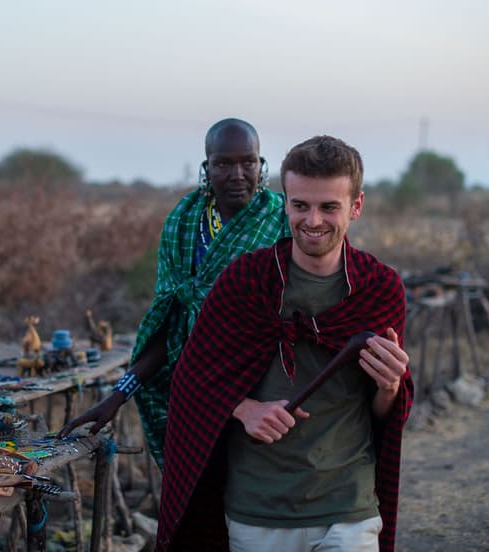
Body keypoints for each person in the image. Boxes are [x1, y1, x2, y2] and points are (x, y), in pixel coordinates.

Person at [156, 135, 413, 552]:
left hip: (348, 503)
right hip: (258, 509)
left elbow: (383, 411)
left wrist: (390, 387)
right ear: (285, 201)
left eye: (329, 206)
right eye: (300, 205)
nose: (313, 220)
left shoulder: (378, 287)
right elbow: (192, 377)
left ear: (356, 206)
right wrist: (245, 408)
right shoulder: (245, 280)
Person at [58, 118, 288, 468]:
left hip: (269, 393)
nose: (238, 173)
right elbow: (171, 326)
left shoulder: (283, 219)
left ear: (261, 165)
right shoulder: (184, 223)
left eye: (248, 162)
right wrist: (117, 397)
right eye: (224, 163)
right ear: (206, 167)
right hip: (198, 390)